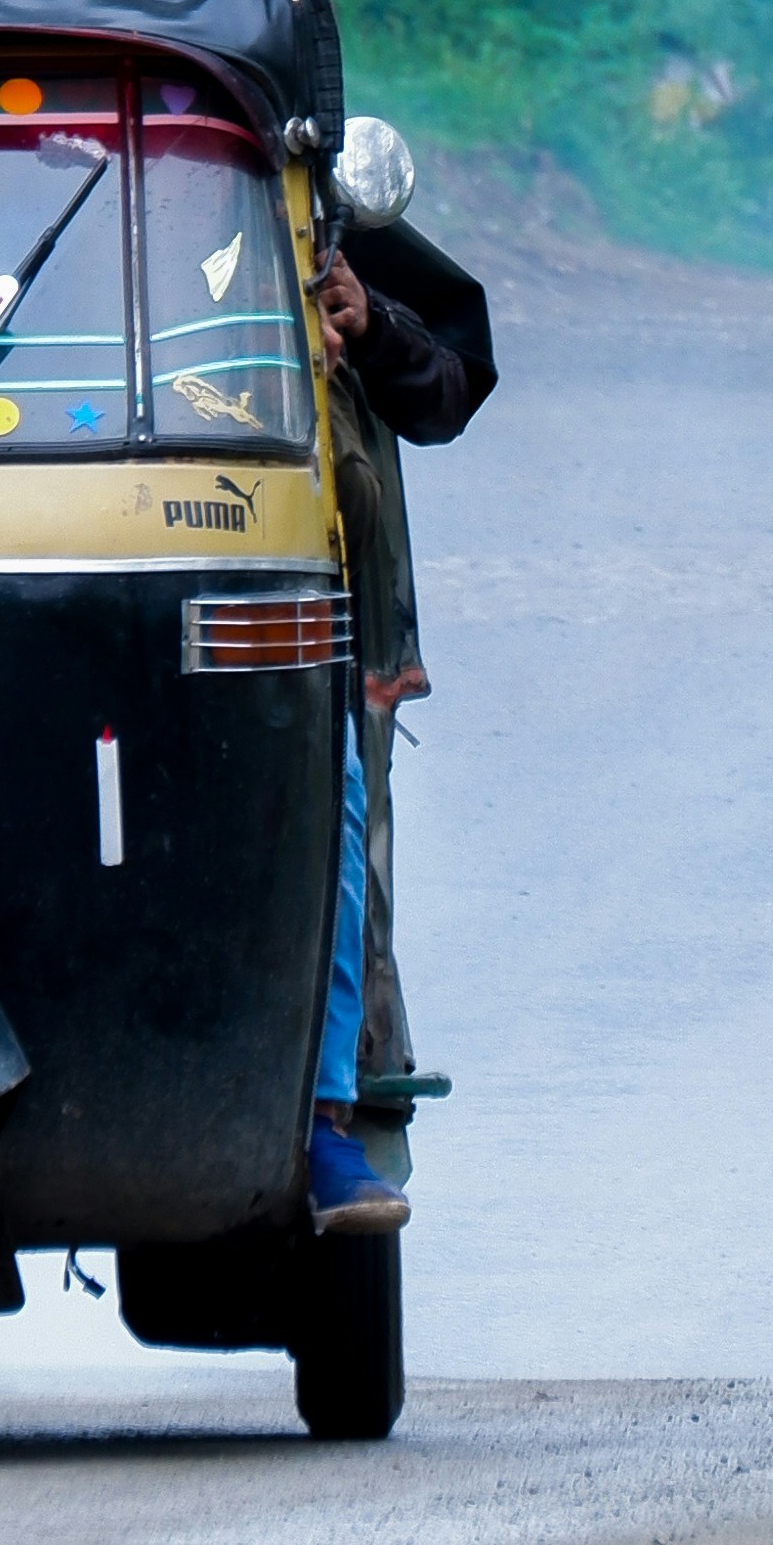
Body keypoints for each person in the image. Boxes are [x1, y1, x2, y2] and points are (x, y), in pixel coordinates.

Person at [304, 208, 492, 1231]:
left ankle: (327, 1109)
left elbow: (449, 386)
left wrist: (365, 323)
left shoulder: (251, 173)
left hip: (277, 622)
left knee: (324, 820)